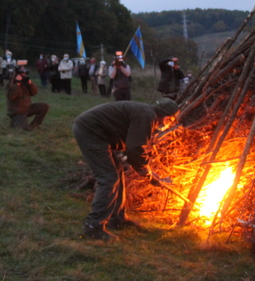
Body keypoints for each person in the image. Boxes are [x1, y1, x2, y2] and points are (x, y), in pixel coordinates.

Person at [73, 98, 179, 240]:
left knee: (117, 174)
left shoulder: (147, 113)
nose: (164, 124)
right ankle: (93, 227)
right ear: (166, 116)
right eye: (168, 120)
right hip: (91, 132)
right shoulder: (147, 116)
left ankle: (117, 219)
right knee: (108, 178)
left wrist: (147, 172)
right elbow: (135, 149)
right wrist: (147, 174)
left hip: (101, 134)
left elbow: (132, 149)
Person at [6, 61, 49, 130]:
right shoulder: (12, 83)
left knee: (44, 106)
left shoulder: (25, 82)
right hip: (17, 111)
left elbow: (34, 92)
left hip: (27, 107)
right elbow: (11, 97)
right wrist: (17, 83)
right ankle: (15, 122)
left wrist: (29, 82)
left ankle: (35, 125)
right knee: (24, 129)